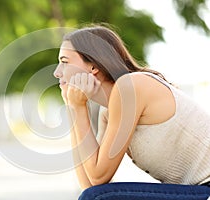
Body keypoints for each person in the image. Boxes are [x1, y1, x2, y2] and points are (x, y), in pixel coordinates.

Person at [53, 24, 210, 200]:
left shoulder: (130, 87)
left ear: (93, 66)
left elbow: (98, 178)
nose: (56, 73)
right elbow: (88, 183)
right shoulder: (108, 111)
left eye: (64, 62)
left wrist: (80, 109)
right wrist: (74, 109)